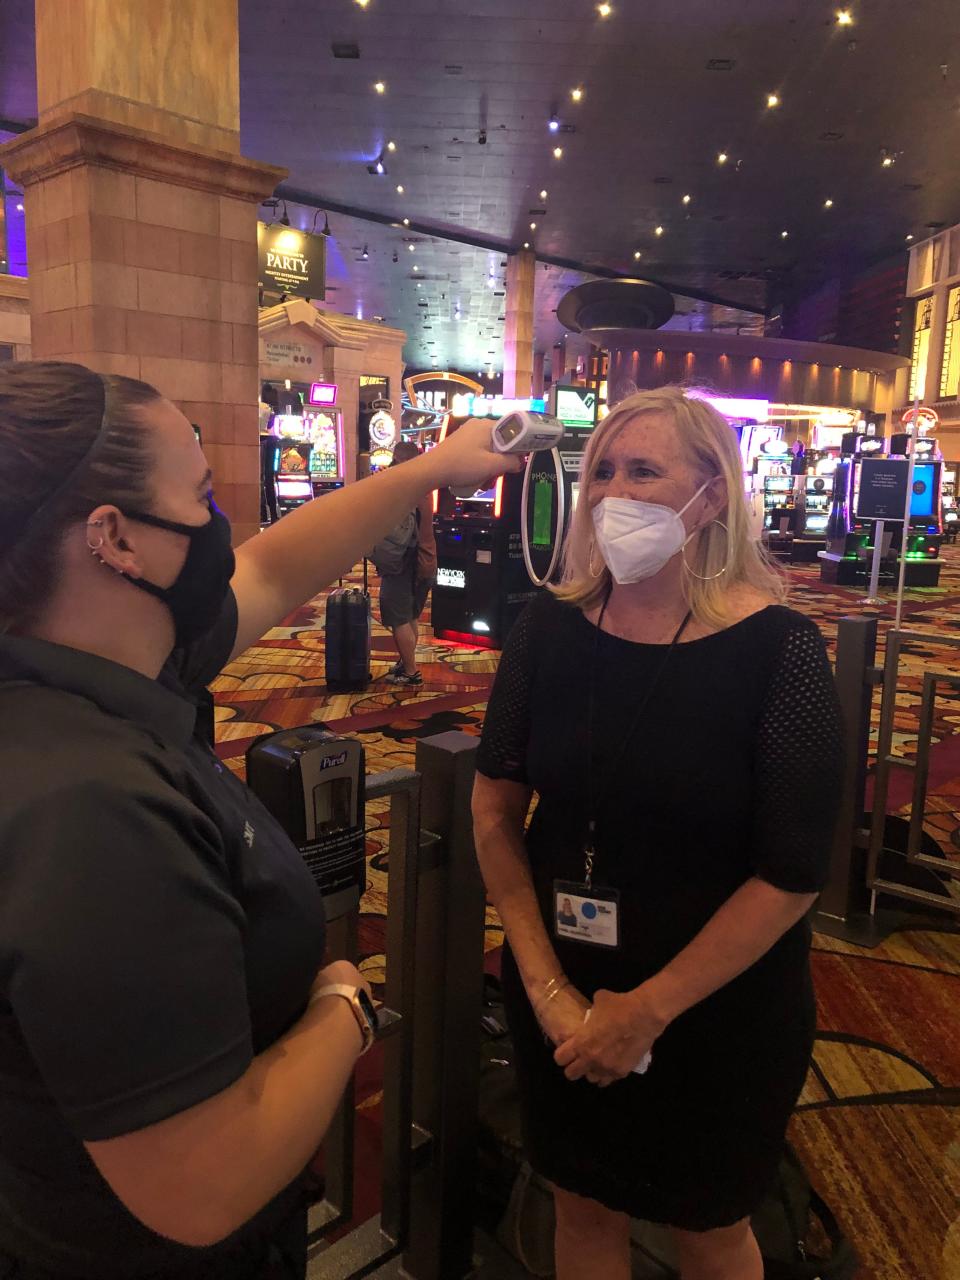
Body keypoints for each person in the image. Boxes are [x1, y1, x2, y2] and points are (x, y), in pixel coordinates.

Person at [0, 360, 521, 1280]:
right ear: (115, 538)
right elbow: (203, 1182)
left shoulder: (94, 662)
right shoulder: (91, 809)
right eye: (200, 497)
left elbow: (275, 568)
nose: (218, 526)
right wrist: (341, 1010)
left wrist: (430, 469)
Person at [472, 386, 844, 1280]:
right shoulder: (547, 629)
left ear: (710, 495)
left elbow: (790, 875)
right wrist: (549, 987)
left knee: (708, 1226)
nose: (611, 493)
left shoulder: (780, 651)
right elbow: (493, 811)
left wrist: (646, 1012)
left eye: (643, 470)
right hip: (563, 983)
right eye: (600, 470)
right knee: (581, 1203)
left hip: (716, 1009)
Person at [371, 439, 438, 687]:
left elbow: (393, 531)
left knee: (398, 618)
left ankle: (411, 672)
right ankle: (406, 661)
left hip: (403, 562)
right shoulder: (424, 484)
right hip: (426, 559)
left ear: (397, 460)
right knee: (410, 616)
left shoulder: (402, 486)